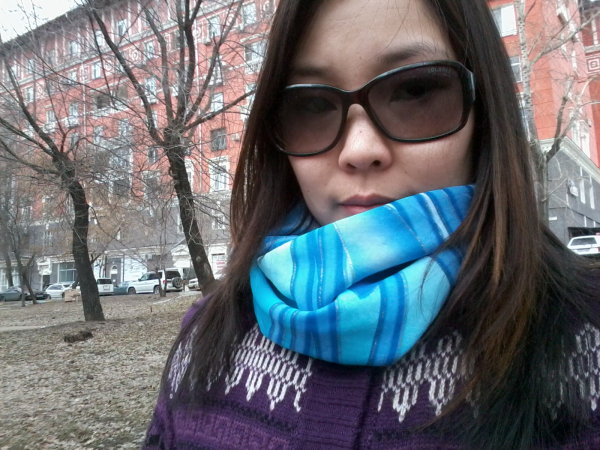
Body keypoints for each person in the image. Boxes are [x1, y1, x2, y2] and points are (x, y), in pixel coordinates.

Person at [145, 0, 600, 448]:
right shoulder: (206, 336)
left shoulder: (586, 342)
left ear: (485, 112)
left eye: (415, 91)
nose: (359, 150)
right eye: (312, 105)